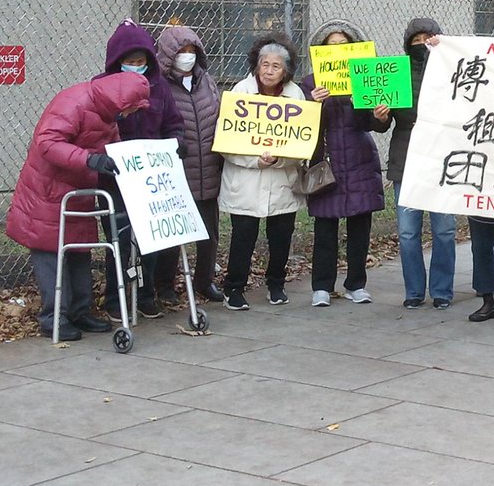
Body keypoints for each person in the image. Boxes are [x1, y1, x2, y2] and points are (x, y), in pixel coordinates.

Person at [6, 73, 150, 340]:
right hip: (48, 189)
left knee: (79, 250)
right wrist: (89, 159)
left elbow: (111, 147)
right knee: (51, 254)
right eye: (131, 108)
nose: (130, 115)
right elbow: (47, 142)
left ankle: (79, 311)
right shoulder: (74, 102)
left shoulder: (107, 113)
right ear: (121, 102)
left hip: (77, 188)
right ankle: (54, 318)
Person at [96, 20, 185, 320]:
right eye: (129, 61)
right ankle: (115, 298)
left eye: (141, 61)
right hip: (115, 178)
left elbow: (173, 124)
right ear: (117, 61)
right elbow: (94, 129)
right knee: (119, 240)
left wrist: (176, 143)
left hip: (151, 176)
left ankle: (146, 295)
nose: (136, 66)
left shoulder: (159, 88)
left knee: (151, 238)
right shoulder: (100, 87)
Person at [300, 19, 390, 307]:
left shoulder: (366, 76)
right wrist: (313, 104)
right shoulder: (310, 83)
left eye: (343, 44)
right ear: (321, 49)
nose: (338, 49)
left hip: (359, 159)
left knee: (360, 227)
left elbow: (374, 125)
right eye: (332, 45)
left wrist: (379, 115)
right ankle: (321, 287)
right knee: (325, 227)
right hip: (327, 162)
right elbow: (301, 125)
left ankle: (356, 284)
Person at [219, 33, 306, 310]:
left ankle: (276, 284)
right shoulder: (240, 92)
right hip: (246, 180)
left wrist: (279, 159)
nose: (269, 71)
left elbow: (301, 140)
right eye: (264, 64)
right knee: (243, 235)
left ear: (286, 70)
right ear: (256, 66)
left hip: (282, 180)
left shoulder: (295, 94)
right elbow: (226, 142)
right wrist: (255, 160)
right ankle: (234, 287)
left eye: (276, 66)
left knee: (281, 235)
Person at [380, 18, 457, 310]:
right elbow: (380, 126)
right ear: (407, 44)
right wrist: (379, 115)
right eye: (416, 39)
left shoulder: (453, 69)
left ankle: (442, 291)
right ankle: (414, 290)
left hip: (443, 160)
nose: (422, 44)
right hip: (406, 159)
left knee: (444, 230)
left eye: (429, 38)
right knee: (408, 232)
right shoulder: (395, 73)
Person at [153, 25, 225, 304]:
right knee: (172, 235)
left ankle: (205, 281)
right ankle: (165, 285)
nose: (187, 56)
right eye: (181, 51)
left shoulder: (207, 82)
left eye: (191, 50)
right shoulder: (158, 86)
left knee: (209, 233)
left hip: (208, 169)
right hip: (177, 172)